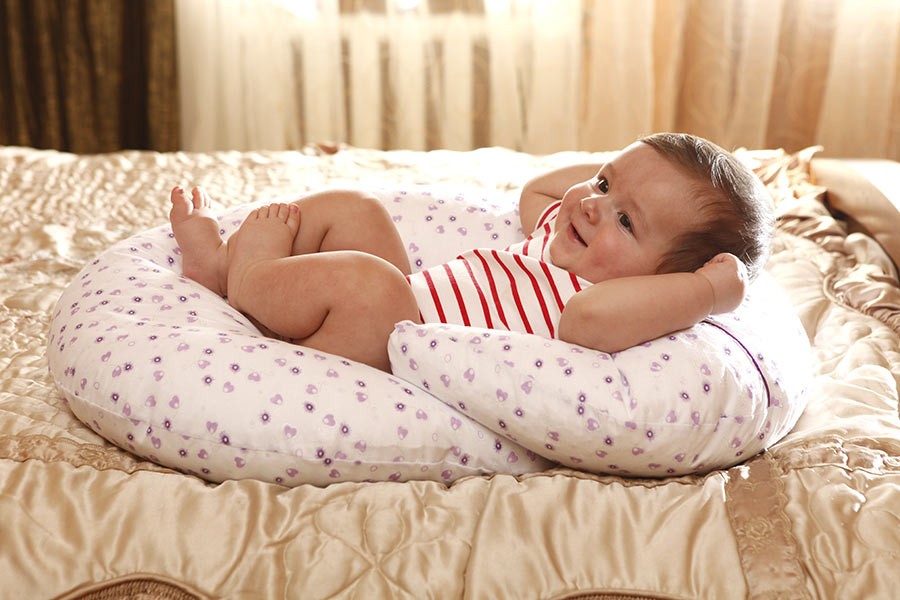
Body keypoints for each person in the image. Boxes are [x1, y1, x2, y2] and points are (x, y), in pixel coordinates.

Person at [169, 132, 773, 372]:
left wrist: (705, 291)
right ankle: (218, 267)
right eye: (602, 184)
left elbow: (588, 322)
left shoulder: (604, 301)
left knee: (370, 283)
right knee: (358, 210)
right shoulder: (561, 238)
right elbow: (537, 192)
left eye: (626, 220)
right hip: (397, 301)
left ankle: (248, 278)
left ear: (663, 280)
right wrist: (625, 178)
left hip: (390, 348)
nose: (591, 206)